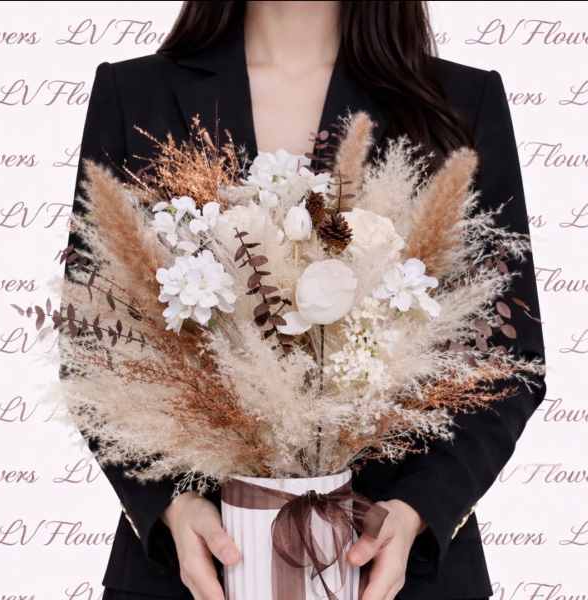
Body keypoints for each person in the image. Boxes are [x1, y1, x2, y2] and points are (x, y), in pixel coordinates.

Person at [61, 2, 547, 600]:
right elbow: (92, 345)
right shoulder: (135, 94)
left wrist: (417, 511)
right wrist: (172, 508)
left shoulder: (461, 101)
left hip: (400, 576)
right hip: (190, 574)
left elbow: (508, 364)